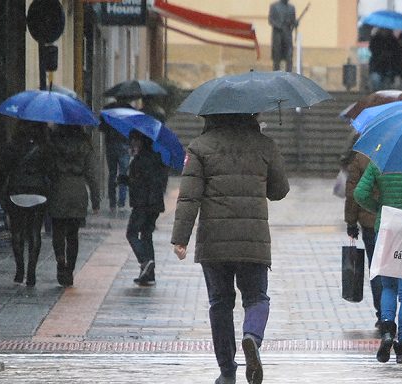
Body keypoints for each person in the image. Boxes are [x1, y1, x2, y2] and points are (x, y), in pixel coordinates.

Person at [171, 113, 289, 384]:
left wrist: (181, 238)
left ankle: (226, 371)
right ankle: (252, 336)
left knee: (220, 304)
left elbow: (190, 197)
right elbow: (279, 190)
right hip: (253, 240)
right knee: (257, 297)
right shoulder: (265, 144)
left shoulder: (200, 147)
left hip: (214, 241)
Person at [354, 165, 402, 364]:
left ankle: (388, 331)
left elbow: (360, 193)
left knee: (388, 286)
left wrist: (379, 208)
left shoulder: (380, 161)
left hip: (386, 226)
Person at [0, 121, 51, 287]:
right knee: (35, 232)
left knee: (16, 231)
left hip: (16, 192)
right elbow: (51, 171)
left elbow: (2, 171)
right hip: (39, 193)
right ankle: (31, 273)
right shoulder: (45, 147)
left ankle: (19, 271)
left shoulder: (13, 146)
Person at [48, 125, 100, 287]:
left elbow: (48, 169)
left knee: (57, 230)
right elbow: (92, 175)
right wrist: (95, 200)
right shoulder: (85, 144)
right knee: (73, 235)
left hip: (59, 189)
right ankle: (69, 270)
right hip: (78, 191)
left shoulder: (54, 142)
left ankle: (60, 261)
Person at [342, 131, 381, 329]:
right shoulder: (396, 154)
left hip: (369, 222)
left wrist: (351, 222)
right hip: (396, 221)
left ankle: (382, 313)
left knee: (375, 268)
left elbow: (353, 193)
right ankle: (393, 311)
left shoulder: (361, 157)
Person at [122, 130, 168, 287]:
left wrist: (125, 179)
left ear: (142, 141)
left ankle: (145, 261)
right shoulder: (157, 158)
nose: (133, 143)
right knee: (147, 236)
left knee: (131, 233)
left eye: (135, 140)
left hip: (142, 204)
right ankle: (149, 275)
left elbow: (139, 183)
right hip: (155, 204)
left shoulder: (140, 160)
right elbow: (159, 181)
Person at [99, 97, 134, 212]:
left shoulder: (107, 109)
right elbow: (133, 128)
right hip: (124, 144)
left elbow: (101, 127)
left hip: (111, 145)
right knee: (123, 174)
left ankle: (112, 203)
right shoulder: (129, 109)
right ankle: (122, 202)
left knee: (112, 173)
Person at [268, 0, 297, 72]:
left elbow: (293, 21)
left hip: (287, 34)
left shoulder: (291, 8)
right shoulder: (274, 6)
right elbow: (270, 20)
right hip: (278, 35)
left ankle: (289, 74)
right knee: (276, 57)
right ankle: (276, 75)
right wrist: (278, 26)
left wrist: (295, 23)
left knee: (289, 56)